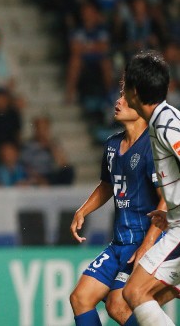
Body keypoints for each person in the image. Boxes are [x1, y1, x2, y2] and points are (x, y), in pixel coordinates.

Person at [69, 91, 166, 326]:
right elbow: (106, 185)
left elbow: (165, 201)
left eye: (125, 98)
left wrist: (147, 245)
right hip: (120, 243)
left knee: (117, 304)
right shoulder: (112, 144)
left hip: (145, 241)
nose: (117, 101)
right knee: (80, 298)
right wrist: (82, 210)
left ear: (141, 106)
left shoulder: (152, 147)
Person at [122, 51, 180, 324]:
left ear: (134, 92)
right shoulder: (163, 119)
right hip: (175, 223)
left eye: (124, 87)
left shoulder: (167, 125)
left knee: (135, 292)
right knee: (148, 295)